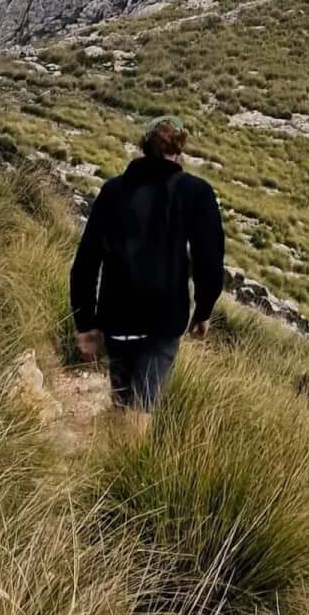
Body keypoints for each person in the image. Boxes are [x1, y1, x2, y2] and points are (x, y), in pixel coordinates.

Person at [69, 115, 224, 414]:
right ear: (179, 151)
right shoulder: (196, 192)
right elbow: (210, 260)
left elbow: (86, 260)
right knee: (142, 409)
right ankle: (128, 458)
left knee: (121, 401)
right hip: (163, 320)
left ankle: (112, 453)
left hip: (116, 316)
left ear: (143, 147)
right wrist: (203, 311)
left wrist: (85, 323)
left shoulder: (113, 190)